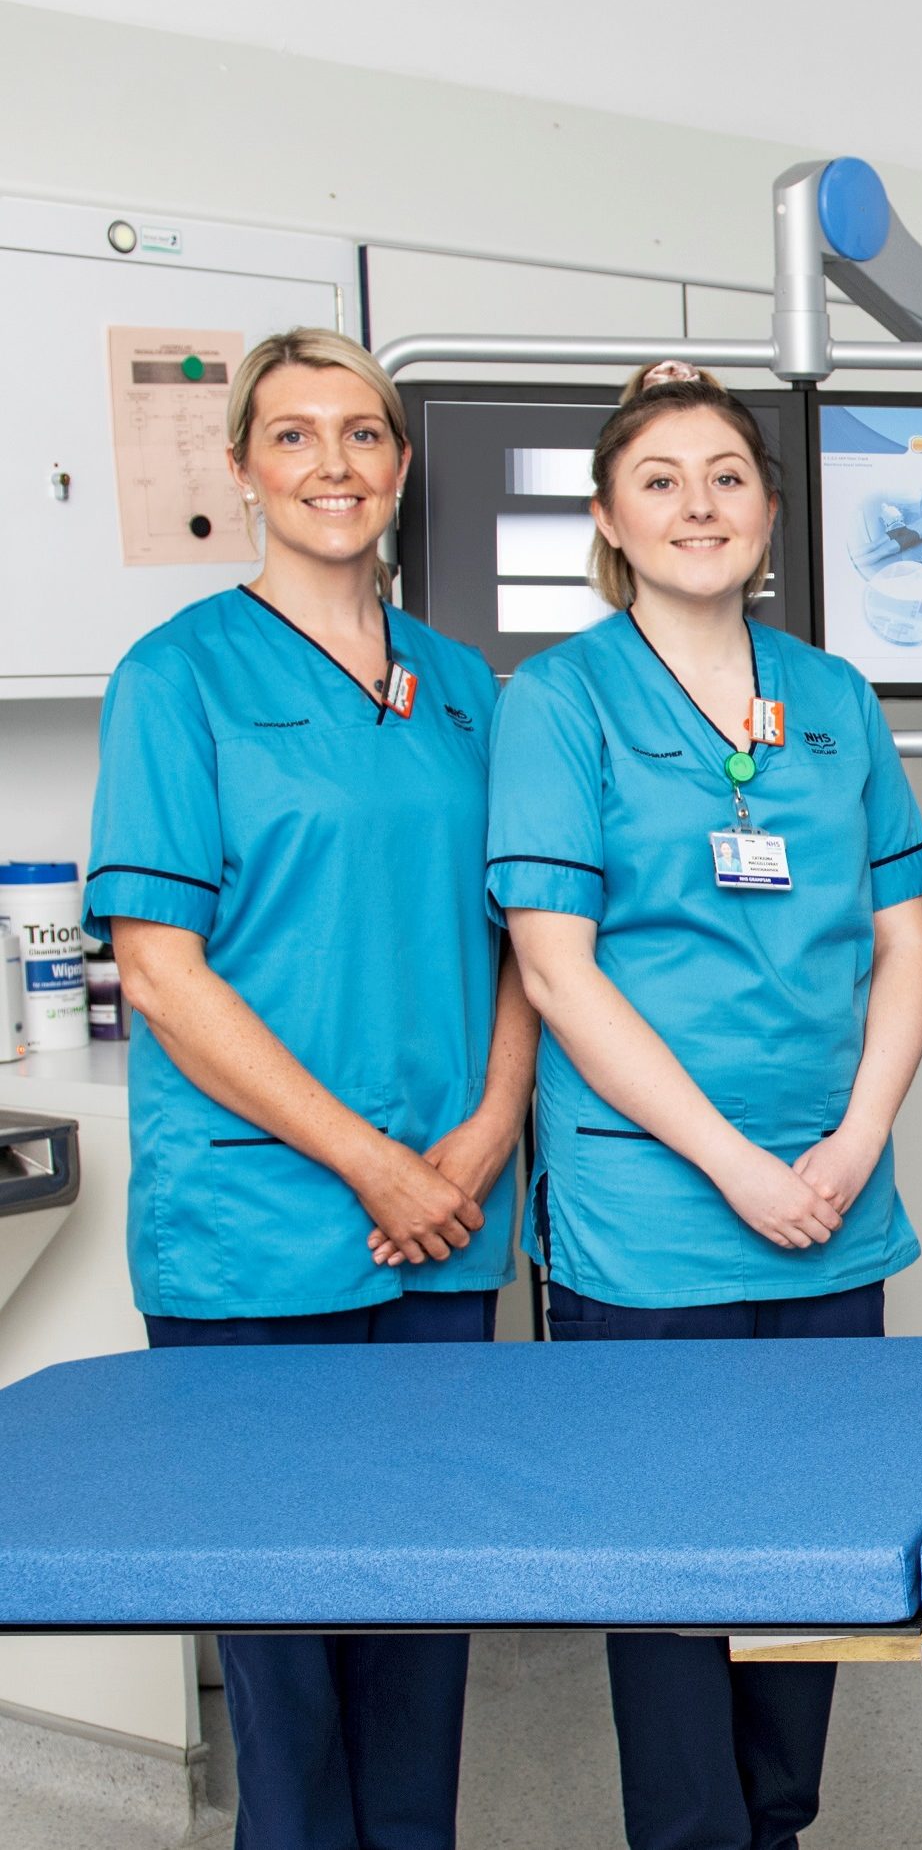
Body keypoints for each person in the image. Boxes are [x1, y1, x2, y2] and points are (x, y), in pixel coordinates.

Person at [86, 326, 533, 1850]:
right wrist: (377, 1165)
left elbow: (529, 942)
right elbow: (163, 971)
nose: (331, 464)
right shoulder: (177, 679)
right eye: (294, 436)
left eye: (361, 435)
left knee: (420, 1628)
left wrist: (473, 1142)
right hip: (259, 1231)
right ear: (243, 471)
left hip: (451, 1213)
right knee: (289, 1658)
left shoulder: (468, 686)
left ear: (402, 467)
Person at [486, 362, 922, 1850]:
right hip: (655, 1211)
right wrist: (740, 1164)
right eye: (663, 480)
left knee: (810, 1551)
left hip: (833, 1193)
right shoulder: (558, 701)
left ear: (769, 512)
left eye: (728, 476)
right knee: (673, 1568)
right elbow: (557, 971)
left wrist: (857, 1139)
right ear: (612, 522)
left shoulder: (832, 697)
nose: (700, 503)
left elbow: (903, 936)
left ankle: (781, 1822)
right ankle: (693, 1837)